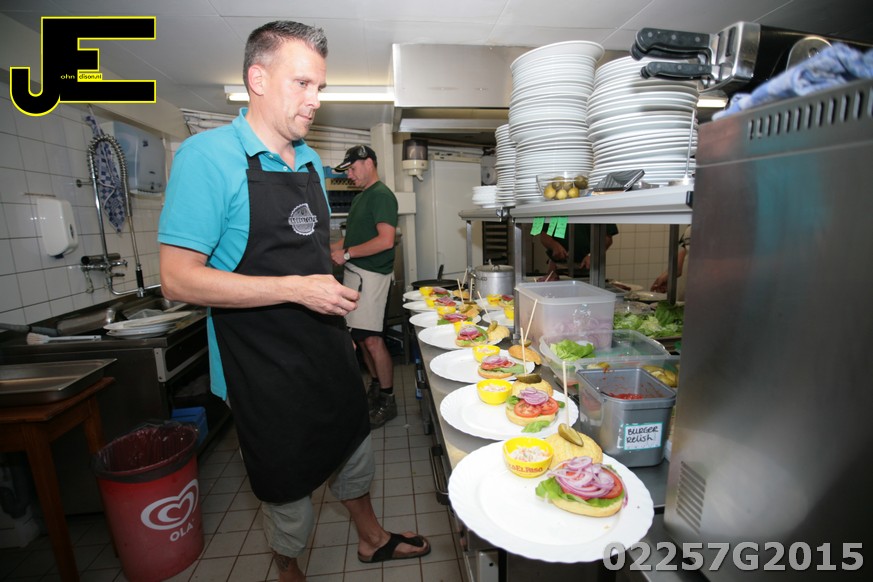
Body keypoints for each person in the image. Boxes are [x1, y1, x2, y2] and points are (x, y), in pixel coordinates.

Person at [157, 21, 429, 582]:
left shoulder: (306, 162)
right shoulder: (208, 157)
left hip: (325, 348)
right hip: (263, 366)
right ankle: (289, 571)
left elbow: (305, 251)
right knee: (288, 490)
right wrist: (295, 288)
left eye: (320, 86)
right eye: (302, 83)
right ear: (257, 79)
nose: (315, 99)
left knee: (353, 448)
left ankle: (371, 539)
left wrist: (330, 297)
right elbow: (177, 280)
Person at [329, 145, 398, 428]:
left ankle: (388, 399)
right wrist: (324, 250)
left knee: (372, 340)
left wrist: (346, 254)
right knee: (359, 338)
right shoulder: (360, 199)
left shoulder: (382, 195)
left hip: (371, 277)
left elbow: (386, 240)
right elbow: (350, 240)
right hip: (354, 276)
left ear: (369, 163)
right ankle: (376, 386)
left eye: (353, 169)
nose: (350, 175)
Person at [538, 223, 619, 279]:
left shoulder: (597, 206)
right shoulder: (556, 208)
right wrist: (554, 245)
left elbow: (607, 238)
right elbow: (544, 235)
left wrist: (592, 255)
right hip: (557, 268)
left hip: (588, 270)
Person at [651, 225, 691, 300]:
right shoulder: (695, 221)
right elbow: (687, 250)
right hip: (687, 297)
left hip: (705, 296)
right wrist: (670, 273)